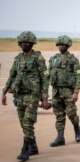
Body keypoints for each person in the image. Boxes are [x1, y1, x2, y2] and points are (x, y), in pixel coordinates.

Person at [1, 31, 49, 161]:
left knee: (28, 123)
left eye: (27, 43)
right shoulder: (17, 59)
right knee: (23, 124)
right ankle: (33, 146)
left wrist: (44, 97)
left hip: (33, 96)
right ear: (19, 43)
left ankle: (25, 150)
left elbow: (45, 78)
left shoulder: (38, 58)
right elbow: (11, 75)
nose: (24, 44)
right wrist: (4, 92)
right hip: (19, 96)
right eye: (22, 43)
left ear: (32, 44)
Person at [49, 35, 80, 147]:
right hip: (56, 91)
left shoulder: (73, 60)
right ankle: (60, 137)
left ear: (68, 46)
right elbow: (48, 73)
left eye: (63, 45)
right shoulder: (53, 59)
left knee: (71, 113)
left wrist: (76, 92)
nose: (61, 46)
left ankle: (77, 128)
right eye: (60, 45)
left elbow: (79, 76)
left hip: (68, 91)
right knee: (59, 114)